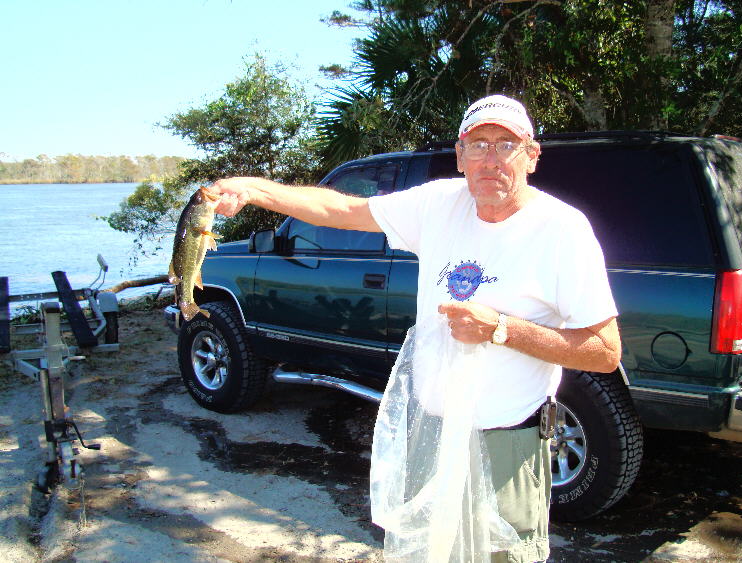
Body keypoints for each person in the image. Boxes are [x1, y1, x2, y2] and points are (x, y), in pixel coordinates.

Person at [208, 94, 621, 562]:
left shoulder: (562, 230)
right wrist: (255, 190)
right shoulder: (438, 204)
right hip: (433, 434)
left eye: (506, 145)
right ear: (460, 156)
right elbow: (342, 210)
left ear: (531, 155)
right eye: (478, 144)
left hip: (508, 441)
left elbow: (604, 351)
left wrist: (502, 328)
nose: (490, 159)